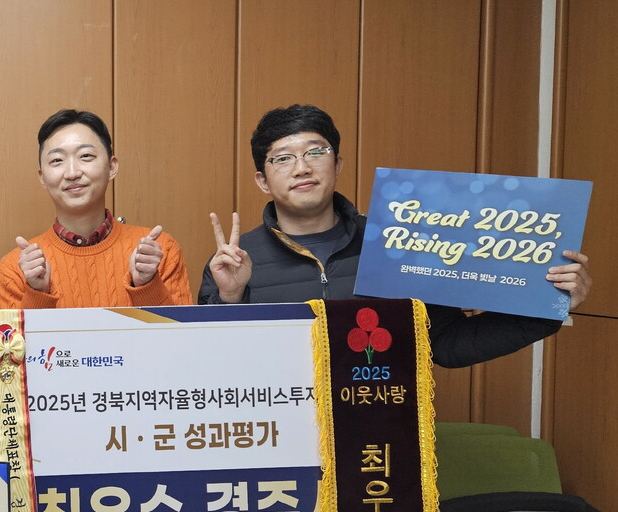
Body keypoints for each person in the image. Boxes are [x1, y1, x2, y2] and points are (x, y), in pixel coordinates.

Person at [199, 104, 592, 368]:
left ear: (338, 164)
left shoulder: (397, 242)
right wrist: (230, 298)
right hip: (278, 440)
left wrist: (548, 305)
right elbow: (213, 365)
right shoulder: (235, 263)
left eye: (316, 152)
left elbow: (447, 344)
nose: (302, 167)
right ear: (262, 180)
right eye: (283, 158)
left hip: (384, 435)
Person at [0, 108, 192, 309]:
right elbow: (12, 332)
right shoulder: (15, 269)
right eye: (57, 160)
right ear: (42, 177)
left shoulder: (159, 252)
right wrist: (37, 292)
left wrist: (147, 284)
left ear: (112, 167)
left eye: (86, 156)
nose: (72, 173)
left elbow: (185, 330)